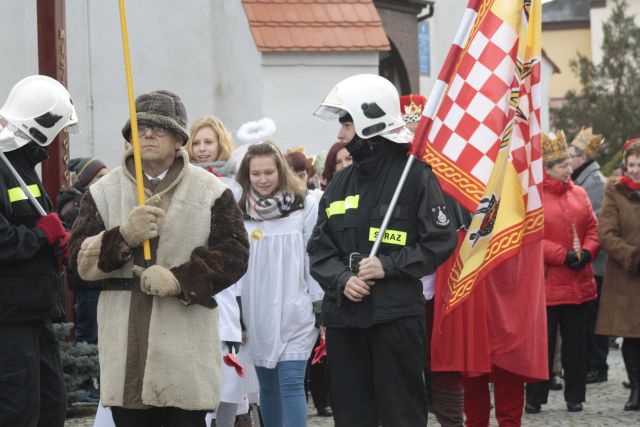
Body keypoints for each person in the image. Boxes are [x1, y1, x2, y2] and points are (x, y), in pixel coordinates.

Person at [68, 90, 249, 426]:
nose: (148, 134)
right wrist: (122, 237)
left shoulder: (211, 191)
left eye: (158, 128)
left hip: (185, 347)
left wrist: (181, 279)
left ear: (179, 138)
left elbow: (235, 254)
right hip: (125, 347)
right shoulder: (103, 192)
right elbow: (75, 263)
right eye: (140, 128)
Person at [309, 74, 457, 427]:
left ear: (368, 120)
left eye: (346, 123)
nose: (340, 134)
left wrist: (388, 265)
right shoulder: (339, 185)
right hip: (345, 319)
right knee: (351, 415)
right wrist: (342, 279)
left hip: (396, 319)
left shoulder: (416, 176)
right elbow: (319, 249)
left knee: (401, 415)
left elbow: (440, 240)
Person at [0, 75, 78, 427]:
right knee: (18, 411)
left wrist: (53, 246)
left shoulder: (21, 167)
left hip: (35, 312)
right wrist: (41, 236)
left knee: (50, 405)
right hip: (8, 319)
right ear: (42, 125)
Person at [235, 140, 323, 427]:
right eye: (255, 173)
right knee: (268, 387)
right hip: (255, 310)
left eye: (268, 172)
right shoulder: (238, 210)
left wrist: (319, 306)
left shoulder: (305, 206)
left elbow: (313, 259)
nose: (262, 179)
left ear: (280, 171)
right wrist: (236, 314)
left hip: (294, 308)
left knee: (292, 383)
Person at [525, 130, 599, 414]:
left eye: (569, 163)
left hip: (578, 283)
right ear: (548, 169)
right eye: (563, 165)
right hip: (548, 284)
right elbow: (530, 236)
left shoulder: (580, 193)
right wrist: (563, 256)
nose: (569, 169)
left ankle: (575, 396)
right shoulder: (536, 197)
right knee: (542, 347)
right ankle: (535, 397)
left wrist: (589, 252)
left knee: (576, 347)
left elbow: (592, 227)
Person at [185, 115, 248, 426]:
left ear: (220, 143)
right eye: (196, 142)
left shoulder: (235, 187)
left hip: (228, 291)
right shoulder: (183, 184)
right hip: (196, 286)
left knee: (228, 392)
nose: (201, 149)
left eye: (208, 141)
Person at [595, 138, 640, 411]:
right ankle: (636, 389)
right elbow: (606, 233)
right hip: (628, 277)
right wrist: (631, 255)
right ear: (625, 165)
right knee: (632, 336)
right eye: (632, 164)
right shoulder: (615, 191)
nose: (636, 169)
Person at [567, 128, 609, 384]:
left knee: (595, 317)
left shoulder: (595, 183)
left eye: (571, 154)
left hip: (594, 262)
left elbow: (591, 221)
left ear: (583, 157)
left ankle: (598, 364)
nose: (568, 159)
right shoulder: (584, 178)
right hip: (583, 260)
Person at [58, 157, 109, 345]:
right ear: (87, 182)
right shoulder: (74, 208)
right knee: (88, 332)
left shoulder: (101, 202)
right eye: (99, 177)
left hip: (102, 279)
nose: (106, 180)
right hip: (87, 282)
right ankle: (86, 372)